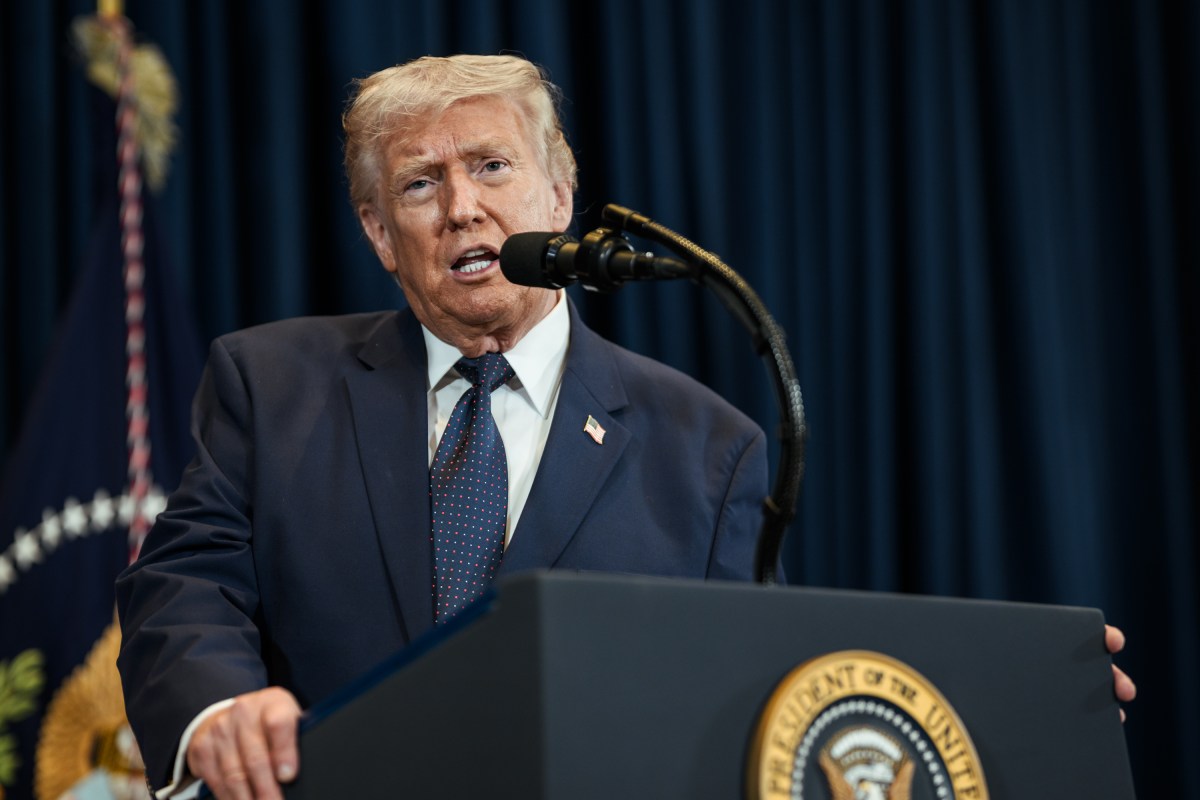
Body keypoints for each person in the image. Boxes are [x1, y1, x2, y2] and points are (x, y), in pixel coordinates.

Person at [115, 54, 1136, 800]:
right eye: (420, 184)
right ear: (383, 234)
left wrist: (1017, 691)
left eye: (491, 167)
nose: (463, 207)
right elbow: (180, 583)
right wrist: (216, 711)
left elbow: (760, 684)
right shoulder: (271, 382)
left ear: (559, 196)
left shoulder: (708, 446)